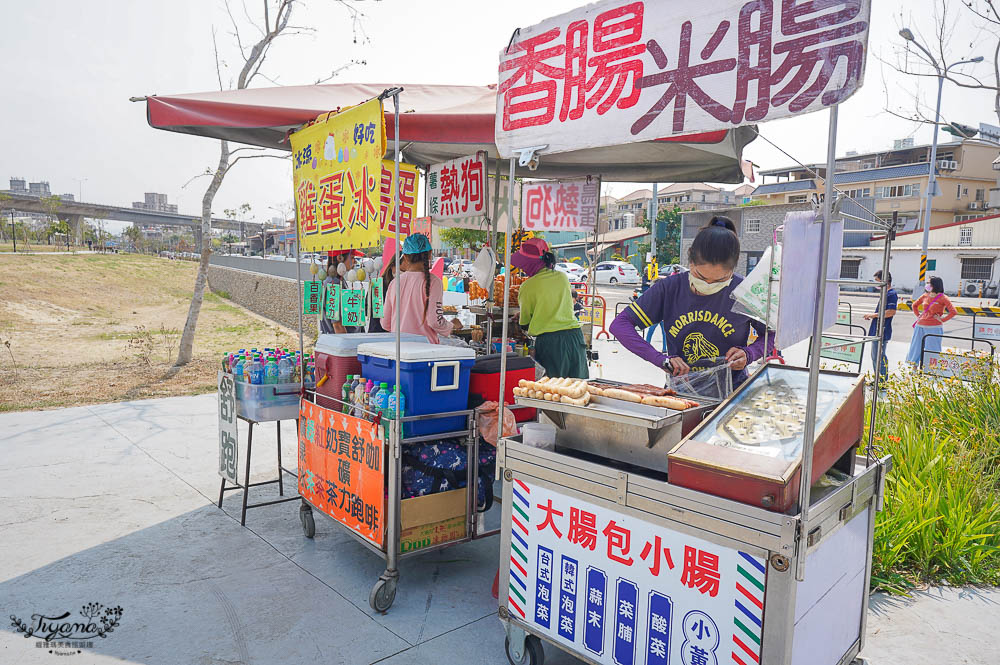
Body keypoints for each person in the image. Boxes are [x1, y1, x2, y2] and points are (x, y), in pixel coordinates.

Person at [608, 217, 772, 392]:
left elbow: (773, 335)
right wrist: (660, 359)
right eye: (701, 277)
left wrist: (750, 353)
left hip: (732, 392)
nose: (709, 284)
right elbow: (620, 325)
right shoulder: (670, 288)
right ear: (690, 262)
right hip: (681, 391)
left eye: (720, 280)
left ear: (733, 269)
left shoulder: (744, 290)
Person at [512, 238, 589, 379]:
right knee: (578, 387)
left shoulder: (527, 286)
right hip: (575, 337)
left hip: (551, 343)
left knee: (554, 391)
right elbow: (556, 305)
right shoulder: (562, 277)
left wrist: (523, 317)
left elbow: (524, 323)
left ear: (528, 263)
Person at [381, 233, 461, 344]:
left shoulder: (395, 283)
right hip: (424, 352)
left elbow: (385, 323)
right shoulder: (434, 282)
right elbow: (435, 321)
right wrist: (452, 326)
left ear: (405, 257)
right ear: (429, 254)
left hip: (398, 350)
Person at [905, 276, 957, 365]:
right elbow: (914, 305)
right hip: (920, 326)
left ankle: (931, 370)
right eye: (927, 283)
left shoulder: (943, 298)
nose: (927, 285)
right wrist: (918, 316)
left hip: (934, 327)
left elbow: (953, 312)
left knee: (933, 349)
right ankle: (913, 368)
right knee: (915, 347)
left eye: (929, 283)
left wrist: (942, 320)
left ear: (935, 285)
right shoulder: (925, 295)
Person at [863, 270, 897, 380]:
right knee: (875, 356)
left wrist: (874, 315)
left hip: (883, 329)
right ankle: (878, 379)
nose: (876, 284)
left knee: (879, 356)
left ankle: (882, 381)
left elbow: (891, 312)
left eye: (877, 281)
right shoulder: (885, 293)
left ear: (885, 281)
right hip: (877, 328)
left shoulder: (891, 294)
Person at [320, 249, 363, 334]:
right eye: (352, 258)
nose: (355, 262)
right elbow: (337, 325)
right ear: (340, 258)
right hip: (339, 342)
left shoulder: (336, 281)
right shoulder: (334, 284)